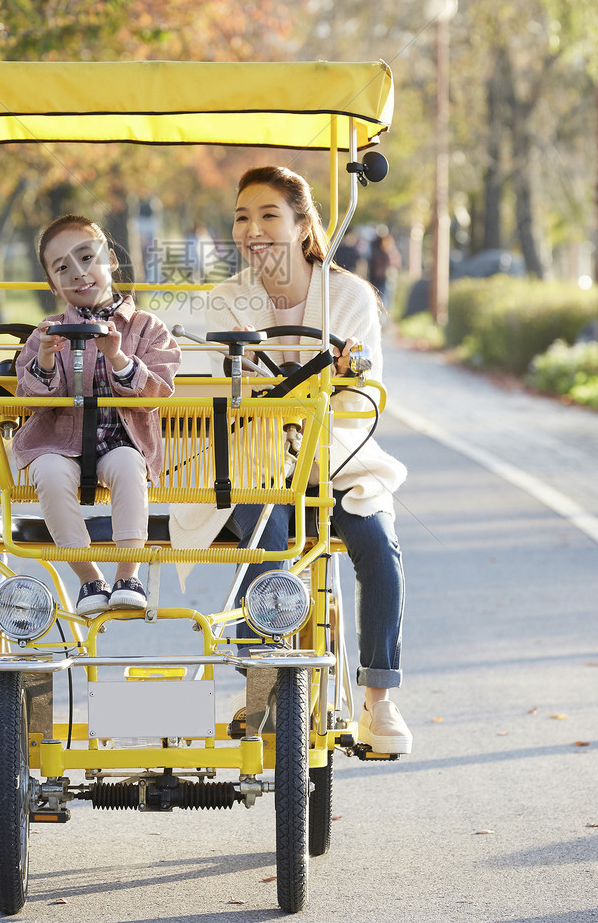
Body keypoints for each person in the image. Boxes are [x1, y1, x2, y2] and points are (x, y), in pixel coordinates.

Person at [169, 167, 412, 754]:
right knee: (268, 537)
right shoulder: (224, 300)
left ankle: (378, 700)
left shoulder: (349, 296)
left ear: (304, 225)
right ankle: (266, 680)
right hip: (253, 461)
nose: (253, 229)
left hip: (337, 461)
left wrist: (301, 390)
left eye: (269, 215)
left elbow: (355, 404)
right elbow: (212, 395)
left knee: (378, 547)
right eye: (243, 217)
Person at [13, 214, 180, 617]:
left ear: (111, 262)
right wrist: (47, 360)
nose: (79, 273)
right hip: (59, 440)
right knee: (49, 474)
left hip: (122, 439)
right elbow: (28, 397)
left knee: (127, 466)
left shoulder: (147, 328)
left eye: (87, 257)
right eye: (63, 268)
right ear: (53, 284)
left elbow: (157, 390)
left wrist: (118, 357)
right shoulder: (46, 332)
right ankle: (89, 578)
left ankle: (128, 574)